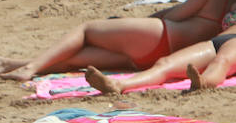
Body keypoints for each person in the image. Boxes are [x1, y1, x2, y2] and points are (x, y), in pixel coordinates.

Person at [0, 0, 236, 81]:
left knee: (87, 29)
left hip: (162, 37)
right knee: (73, 60)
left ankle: (30, 67)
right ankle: (8, 64)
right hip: (165, 56)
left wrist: (136, 23)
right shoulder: (230, 13)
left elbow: (174, 16)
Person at [85, 28, 236, 93]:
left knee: (221, 61)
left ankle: (204, 82)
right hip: (217, 41)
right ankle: (118, 85)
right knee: (164, 63)